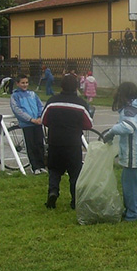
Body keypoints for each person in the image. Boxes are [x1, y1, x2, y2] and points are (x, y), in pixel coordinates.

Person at [41, 73, 94, 210]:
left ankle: (53, 192)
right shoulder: (81, 104)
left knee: (54, 170)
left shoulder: (52, 101)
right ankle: (75, 201)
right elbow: (88, 124)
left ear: (61, 85)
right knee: (75, 172)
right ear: (76, 87)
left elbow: (44, 120)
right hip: (73, 143)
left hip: (55, 141)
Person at [102, 82, 137, 221]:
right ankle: (130, 210)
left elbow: (128, 126)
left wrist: (111, 132)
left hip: (135, 153)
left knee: (130, 184)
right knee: (128, 182)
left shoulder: (129, 110)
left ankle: (134, 214)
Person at [10, 74, 47, 174]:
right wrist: (30, 119)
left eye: (26, 82)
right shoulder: (15, 96)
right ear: (17, 84)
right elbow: (17, 110)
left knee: (40, 144)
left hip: (37, 123)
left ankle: (42, 165)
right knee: (31, 146)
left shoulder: (32, 94)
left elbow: (40, 105)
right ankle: (35, 167)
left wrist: (40, 117)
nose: (25, 84)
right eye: (22, 83)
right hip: (27, 124)